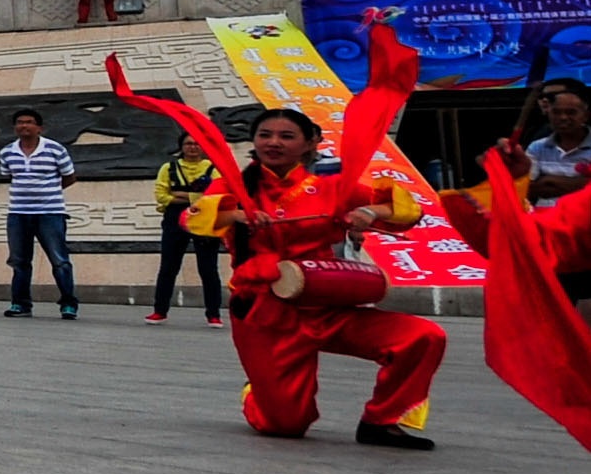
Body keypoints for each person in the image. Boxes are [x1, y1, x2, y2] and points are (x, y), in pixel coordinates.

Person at [209, 107, 445, 447]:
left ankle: (381, 421)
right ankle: (259, 390)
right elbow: (192, 218)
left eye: (286, 136)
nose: (274, 142)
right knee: (286, 425)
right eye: (265, 135)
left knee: (422, 337)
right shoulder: (232, 188)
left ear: (310, 143)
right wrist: (236, 215)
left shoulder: (332, 188)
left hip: (326, 301)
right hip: (267, 313)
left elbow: (408, 212)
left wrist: (369, 212)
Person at [0, 107, 79, 319]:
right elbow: (10, 176)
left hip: (50, 213)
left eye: (29, 122)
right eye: (20, 122)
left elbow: (69, 177)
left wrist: (47, 192)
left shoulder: (55, 149)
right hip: (18, 213)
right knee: (19, 261)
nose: (24, 126)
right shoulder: (7, 152)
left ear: (39, 127)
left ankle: (68, 303)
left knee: (59, 260)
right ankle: (21, 304)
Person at [150, 132, 226, 326]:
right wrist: (197, 196)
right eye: (188, 144)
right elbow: (161, 196)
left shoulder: (212, 168)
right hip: (175, 220)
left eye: (197, 144)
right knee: (168, 266)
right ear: (181, 146)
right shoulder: (168, 168)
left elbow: (216, 195)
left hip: (204, 220)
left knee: (208, 268)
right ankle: (159, 311)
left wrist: (182, 195)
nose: (192, 147)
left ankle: (214, 314)